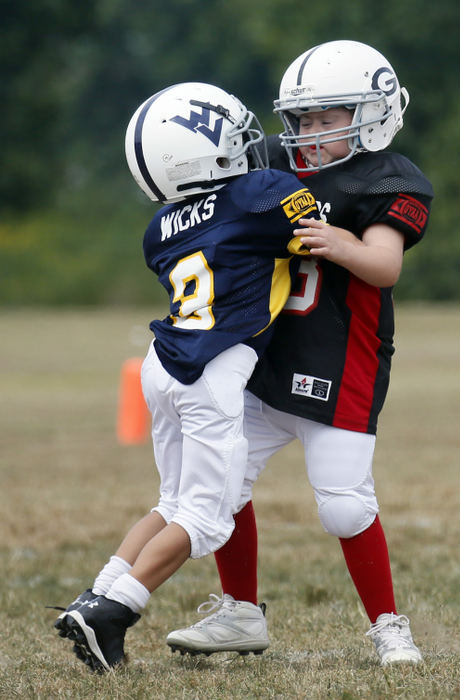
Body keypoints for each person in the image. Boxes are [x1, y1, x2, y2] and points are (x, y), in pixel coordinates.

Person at [165, 41, 434, 666]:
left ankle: (390, 625)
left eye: (327, 118)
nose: (310, 133)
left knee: (344, 506)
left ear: (375, 112)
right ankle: (239, 614)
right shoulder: (277, 182)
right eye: (303, 120)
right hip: (265, 365)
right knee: (220, 488)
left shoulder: (386, 177)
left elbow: (385, 267)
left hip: (341, 365)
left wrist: (340, 244)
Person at [51, 81, 322, 672]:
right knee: (203, 518)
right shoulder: (262, 193)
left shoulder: (160, 229)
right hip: (213, 370)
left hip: (162, 363)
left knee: (172, 501)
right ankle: (113, 611)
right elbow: (316, 230)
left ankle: (95, 593)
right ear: (204, 153)